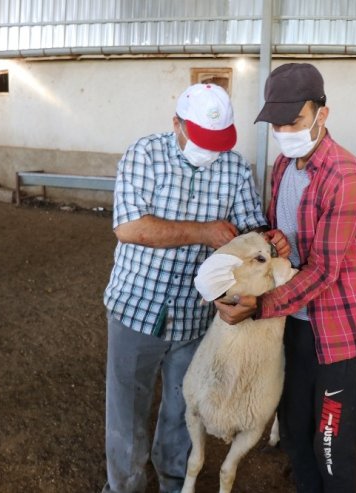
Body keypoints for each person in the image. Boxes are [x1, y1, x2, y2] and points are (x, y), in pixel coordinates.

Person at [100, 83, 286, 493]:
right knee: (126, 413)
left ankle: (173, 483)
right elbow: (130, 227)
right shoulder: (143, 155)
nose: (211, 151)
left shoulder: (235, 169)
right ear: (176, 125)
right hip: (136, 306)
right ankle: (124, 487)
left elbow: (251, 229)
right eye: (203, 140)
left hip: (196, 314)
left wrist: (270, 240)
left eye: (218, 143)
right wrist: (204, 233)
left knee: (182, 412)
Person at [216, 63, 356, 492]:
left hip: (337, 332)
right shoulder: (285, 167)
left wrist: (261, 306)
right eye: (278, 123)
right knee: (292, 433)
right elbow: (282, 233)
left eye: (295, 121)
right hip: (294, 326)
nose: (285, 130)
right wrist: (275, 241)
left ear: (322, 114)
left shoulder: (346, 178)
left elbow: (325, 268)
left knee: (330, 445)